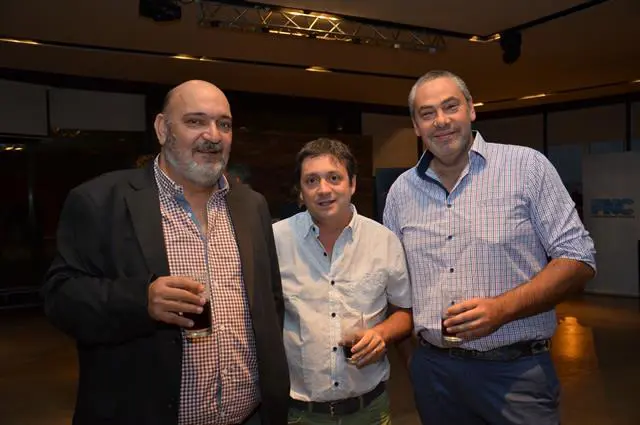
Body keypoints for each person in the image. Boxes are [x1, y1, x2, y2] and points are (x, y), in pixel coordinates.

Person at [42, 80, 290, 425]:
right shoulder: (101, 200)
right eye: (195, 121)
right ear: (162, 129)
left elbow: (270, 301)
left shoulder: (252, 205)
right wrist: (140, 300)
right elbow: (60, 299)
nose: (213, 135)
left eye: (224, 124)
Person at [383, 70, 596, 425]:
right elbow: (395, 288)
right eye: (427, 113)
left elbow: (578, 258)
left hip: (516, 374)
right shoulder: (401, 193)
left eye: (451, 106)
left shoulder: (527, 167)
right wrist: (414, 362)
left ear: (471, 110)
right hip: (435, 376)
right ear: (416, 126)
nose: (441, 121)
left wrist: (502, 309)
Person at [273, 138, 413, 425]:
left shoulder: (384, 241)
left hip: (370, 409)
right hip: (301, 414)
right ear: (301, 191)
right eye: (311, 180)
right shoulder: (276, 240)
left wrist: (382, 334)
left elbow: (404, 313)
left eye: (334, 178)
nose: (323, 189)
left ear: (352, 184)